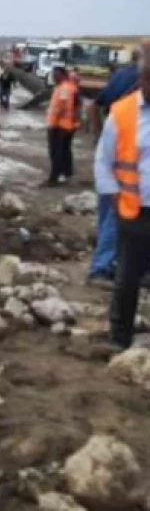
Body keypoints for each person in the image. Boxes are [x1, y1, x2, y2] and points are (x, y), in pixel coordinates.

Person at [97, 39, 150, 349]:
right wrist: (115, 199)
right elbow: (103, 164)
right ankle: (120, 337)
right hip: (134, 212)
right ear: (142, 79)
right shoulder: (123, 114)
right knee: (128, 278)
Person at [45, 66, 80, 185]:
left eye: (56, 75)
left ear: (63, 75)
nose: (54, 78)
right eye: (53, 75)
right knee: (65, 150)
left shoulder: (64, 88)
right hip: (67, 125)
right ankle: (66, 173)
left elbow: (62, 107)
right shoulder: (68, 87)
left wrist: (52, 124)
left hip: (60, 125)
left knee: (56, 152)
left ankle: (54, 177)